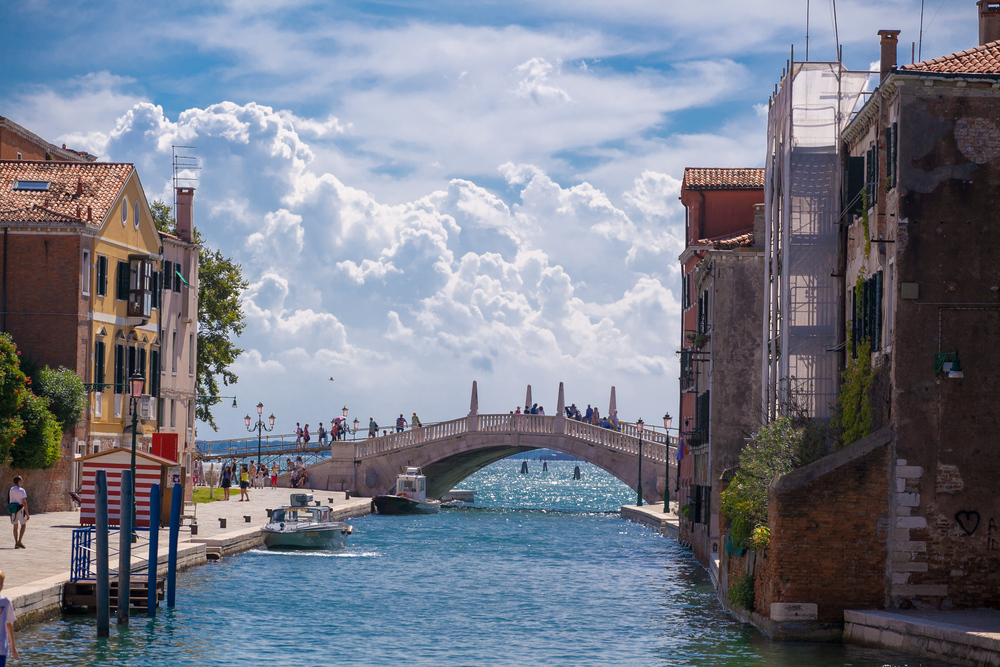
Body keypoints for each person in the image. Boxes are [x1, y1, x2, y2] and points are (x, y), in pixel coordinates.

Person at [0, 570, 19, 664]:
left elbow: (8, 624)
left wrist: (13, 646)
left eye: (1, 583)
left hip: (1, 648)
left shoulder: (6, 601)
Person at [8, 478, 27, 549]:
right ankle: (20, 541)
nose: (22, 482)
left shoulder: (11, 489)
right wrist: (27, 513)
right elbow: (24, 502)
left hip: (13, 509)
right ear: (19, 482)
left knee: (15, 526)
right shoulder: (21, 490)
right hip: (20, 508)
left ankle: (16, 542)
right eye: (21, 480)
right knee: (23, 525)